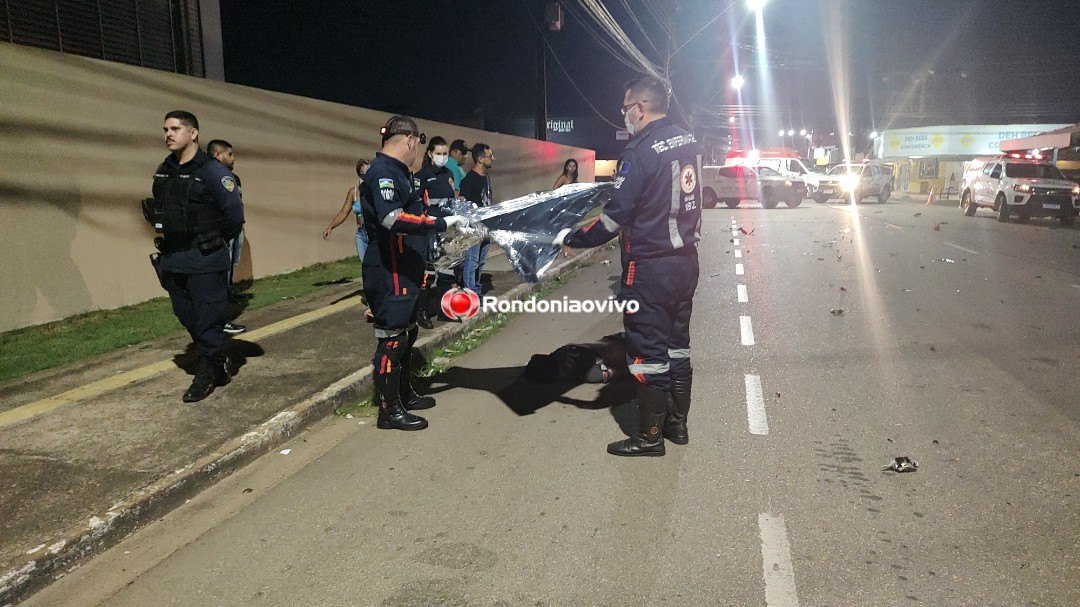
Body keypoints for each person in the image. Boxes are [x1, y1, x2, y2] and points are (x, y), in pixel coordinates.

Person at [553, 76, 702, 457]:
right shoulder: (687, 141)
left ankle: (649, 436)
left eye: (625, 108)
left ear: (640, 106)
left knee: (648, 352)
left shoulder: (640, 152)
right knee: (677, 346)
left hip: (651, 267)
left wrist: (574, 237)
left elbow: (612, 219)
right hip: (686, 261)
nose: (624, 115)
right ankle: (677, 425)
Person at [361, 115, 466, 431]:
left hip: (405, 264)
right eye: (418, 144)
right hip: (389, 267)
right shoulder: (383, 172)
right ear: (409, 140)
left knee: (408, 331)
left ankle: (404, 394)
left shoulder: (398, 172)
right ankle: (389, 410)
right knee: (392, 338)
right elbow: (392, 218)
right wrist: (439, 223)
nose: (417, 150)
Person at [144, 111, 244, 402]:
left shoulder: (213, 171)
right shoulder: (165, 170)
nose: (168, 134)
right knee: (185, 315)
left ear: (193, 133)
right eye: (166, 129)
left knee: (208, 319)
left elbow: (234, 217)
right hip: (174, 259)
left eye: (175, 128)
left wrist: (210, 241)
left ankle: (208, 371)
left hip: (205, 258)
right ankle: (216, 362)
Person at [322, 159, 376, 320]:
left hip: (374, 234)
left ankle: (377, 301)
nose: (365, 176)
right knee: (366, 268)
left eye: (368, 172)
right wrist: (330, 227)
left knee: (375, 268)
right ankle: (372, 301)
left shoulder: (375, 190)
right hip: (362, 234)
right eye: (362, 173)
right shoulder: (354, 192)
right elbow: (344, 212)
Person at [414, 137, 458, 329]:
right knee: (428, 273)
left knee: (447, 271)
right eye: (438, 153)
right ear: (430, 154)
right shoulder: (422, 176)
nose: (442, 157)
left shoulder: (448, 174)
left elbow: (451, 201)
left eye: (444, 153)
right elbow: (416, 204)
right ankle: (422, 312)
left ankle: (445, 311)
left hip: (446, 229)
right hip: (429, 229)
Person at [206, 139, 247, 334]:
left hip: (235, 229)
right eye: (229, 154)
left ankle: (228, 295)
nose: (233, 158)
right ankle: (219, 321)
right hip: (221, 233)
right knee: (219, 274)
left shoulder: (233, 178)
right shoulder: (210, 176)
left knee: (231, 265)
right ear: (217, 155)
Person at [459, 143, 494, 294]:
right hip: (474, 227)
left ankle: (477, 290)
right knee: (472, 261)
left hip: (486, 226)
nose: (493, 158)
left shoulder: (486, 178)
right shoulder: (469, 180)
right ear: (480, 159)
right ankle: (470, 292)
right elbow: (463, 203)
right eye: (490, 156)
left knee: (481, 261)